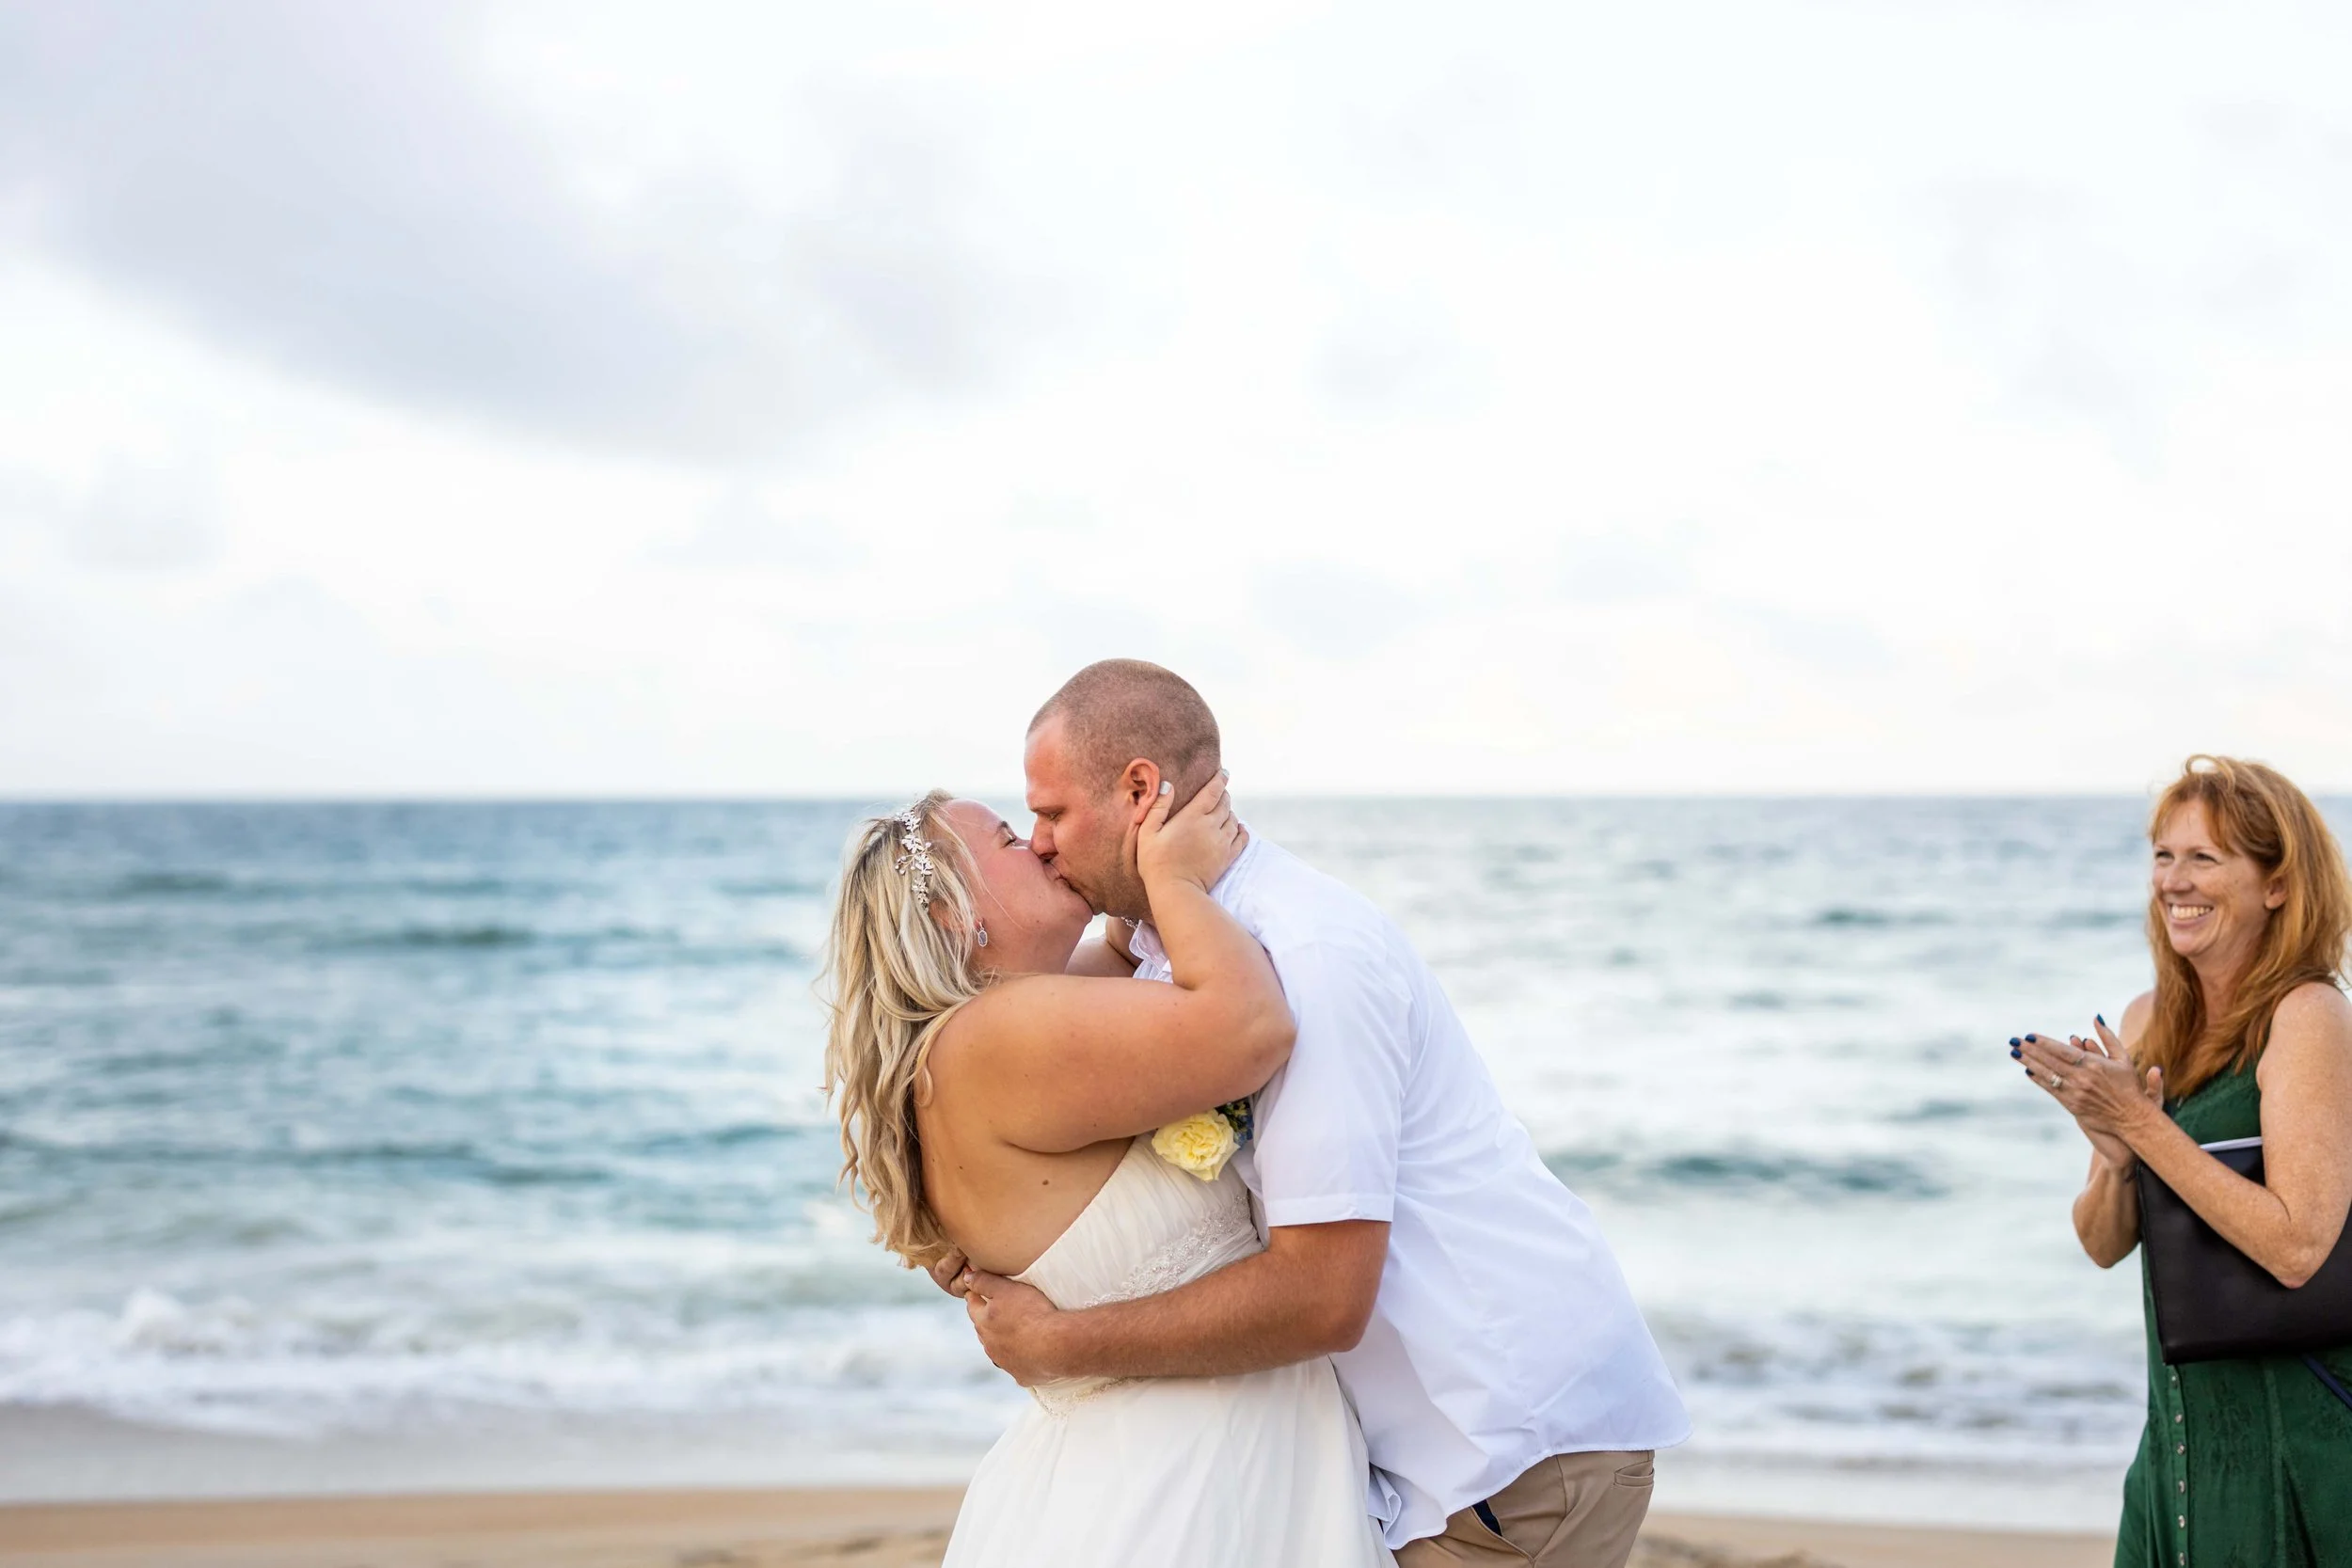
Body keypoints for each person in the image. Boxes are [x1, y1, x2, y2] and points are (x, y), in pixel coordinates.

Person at [949, 659, 1689, 1568]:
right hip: (1424, 1461)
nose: (1042, 841)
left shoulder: (1306, 955)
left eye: (1053, 813)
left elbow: (1324, 1294)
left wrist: (1062, 1344)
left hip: (1513, 1453)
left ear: (1140, 789)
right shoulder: (1165, 950)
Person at [821, 775, 1394, 1567]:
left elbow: (1134, 948)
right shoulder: (995, 1037)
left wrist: (1132, 846)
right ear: (957, 913)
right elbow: (1253, 1026)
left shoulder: (977, 1043)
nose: (1042, 843)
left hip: (1135, 1475)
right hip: (1183, 1492)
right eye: (1012, 843)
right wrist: (1175, 876)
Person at [2012, 754, 2352, 1568]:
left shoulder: (2310, 1015)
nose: (2174, 880)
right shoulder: (2149, 1016)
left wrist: (2145, 1125)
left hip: (2297, 1440)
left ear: (2277, 884)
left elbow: (2299, 1246)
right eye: (2164, 855)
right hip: (2176, 1447)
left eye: (2205, 856)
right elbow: (2101, 1244)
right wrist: (2121, 1159)